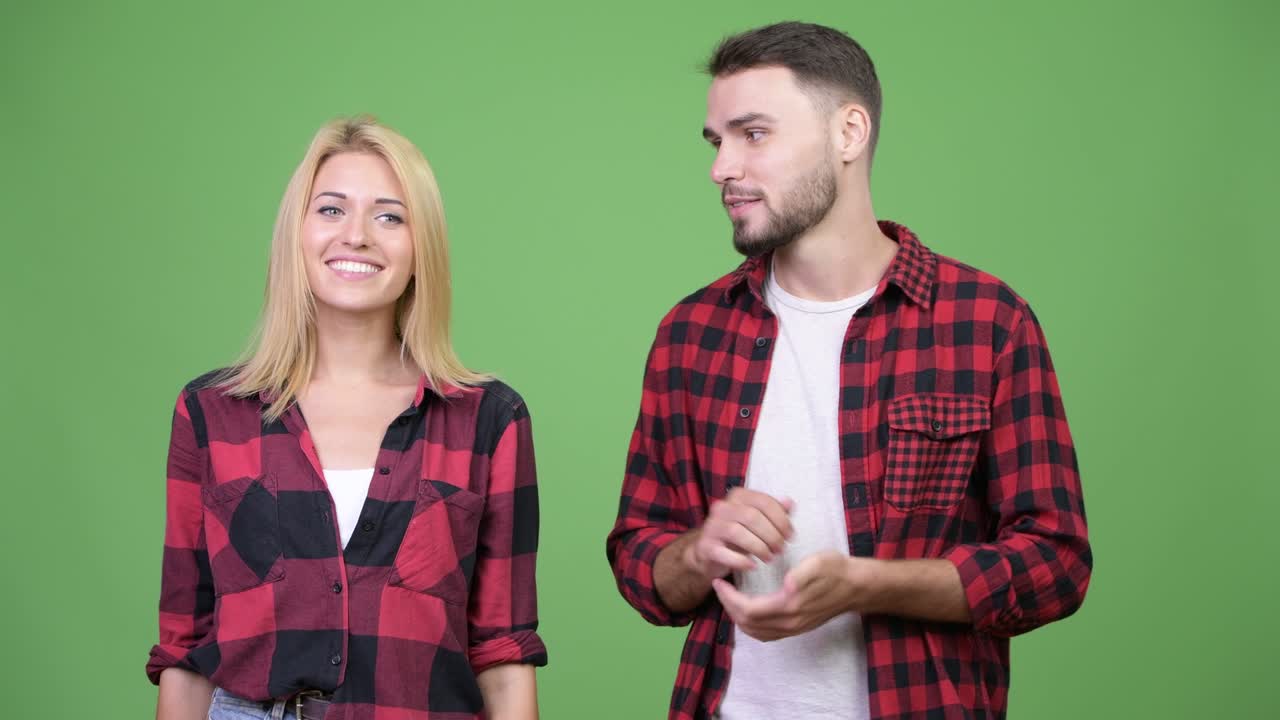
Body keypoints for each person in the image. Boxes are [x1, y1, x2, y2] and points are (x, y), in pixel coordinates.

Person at [606, 22, 1091, 720]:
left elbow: (1056, 564)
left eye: (754, 134)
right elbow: (640, 565)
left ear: (849, 133)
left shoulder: (987, 322)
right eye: (718, 142)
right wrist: (697, 551)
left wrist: (868, 584)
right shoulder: (691, 333)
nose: (722, 169)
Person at [148, 116, 546, 720]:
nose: (357, 235)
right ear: (297, 233)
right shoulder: (211, 412)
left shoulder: (489, 419)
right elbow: (186, 645)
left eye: (390, 216)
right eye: (331, 210)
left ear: (422, 247)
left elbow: (502, 650)